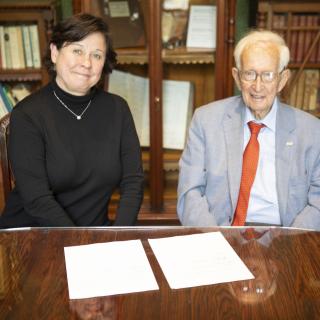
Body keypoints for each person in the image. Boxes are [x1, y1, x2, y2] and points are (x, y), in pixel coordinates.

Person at [0, 13, 144, 227]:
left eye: (97, 55)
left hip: (96, 235)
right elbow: (37, 200)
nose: (86, 63)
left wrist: (118, 236)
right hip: (34, 236)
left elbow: (133, 182)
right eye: (77, 50)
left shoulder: (117, 109)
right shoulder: (27, 115)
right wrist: (80, 244)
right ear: (55, 52)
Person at [177, 30, 320, 229]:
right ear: (237, 77)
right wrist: (214, 240)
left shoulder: (312, 131)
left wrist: (291, 242)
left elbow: (318, 202)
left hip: (285, 236)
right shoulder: (205, 120)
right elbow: (189, 192)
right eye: (249, 74)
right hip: (221, 233)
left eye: (268, 75)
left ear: (282, 79)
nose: (257, 86)